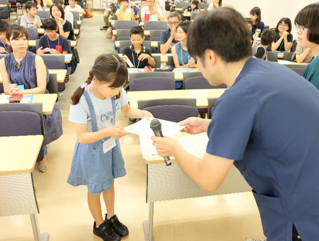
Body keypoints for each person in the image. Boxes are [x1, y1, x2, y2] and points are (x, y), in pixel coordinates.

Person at [151, 7, 319, 241]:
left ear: (210, 56)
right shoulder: (269, 70)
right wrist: (210, 125)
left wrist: (174, 148)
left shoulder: (237, 97)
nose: (196, 64)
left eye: (196, 58)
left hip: (302, 214)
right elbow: (264, 125)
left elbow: (208, 179)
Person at [67, 54, 152, 241]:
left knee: (110, 182)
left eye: (121, 88)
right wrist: (108, 132)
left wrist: (142, 114)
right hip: (91, 150)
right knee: (95, 188)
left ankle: (111, 217)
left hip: (110, 146)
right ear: (96, 79)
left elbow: (128, 110)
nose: (117, 92)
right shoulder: (81, 100)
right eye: (113, 88)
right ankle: (99, 224)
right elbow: (81, 137)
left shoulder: (116, 90)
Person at [0, 25, 62, 173]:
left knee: (32, 119)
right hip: (15, 100)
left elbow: (41, 88)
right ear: (8, 41)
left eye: (24, 39)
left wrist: (20, 92)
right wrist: (11, 90)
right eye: (16, 39)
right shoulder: (3, 61)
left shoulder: (36, 59)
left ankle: (42, 156)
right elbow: (6, 87)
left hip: (37, 99)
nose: (21, 43)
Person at [295, 3, 319, 90]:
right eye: (299, 27)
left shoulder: (317, 63)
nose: (298, 31)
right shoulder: (315, 58)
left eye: (303, 27)